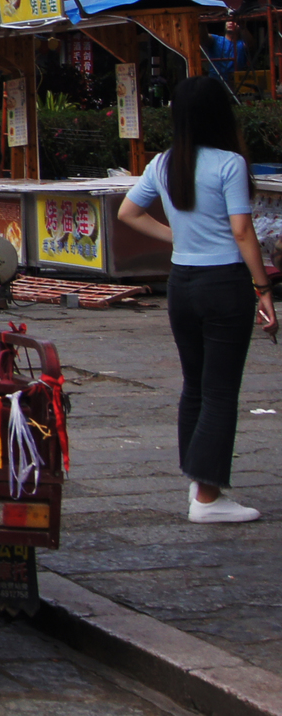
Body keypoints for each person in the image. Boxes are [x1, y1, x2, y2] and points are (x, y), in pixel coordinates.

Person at [118, 77, 279, 523]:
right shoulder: (229, 163)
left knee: (196, 385)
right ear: (219, 114)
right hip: (223, 284)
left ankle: (197, 483)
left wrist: (175, 236)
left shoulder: (163, 163)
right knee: (221, 390)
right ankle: (208, 497)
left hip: (182, 283)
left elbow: (127, 212)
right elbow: (242, 231)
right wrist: (263, 288)